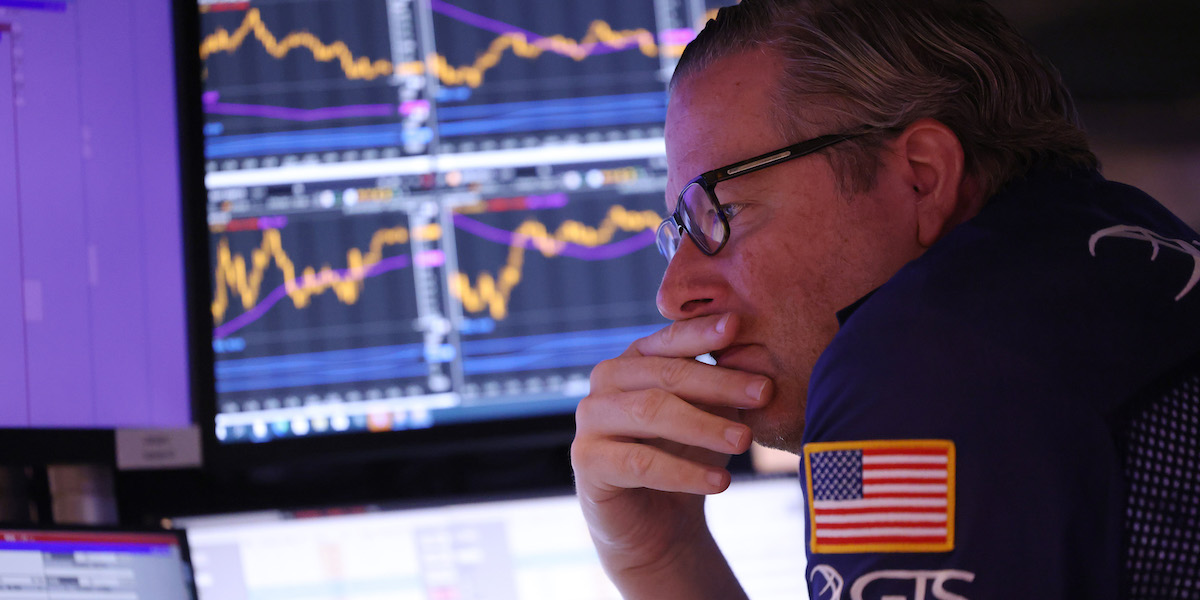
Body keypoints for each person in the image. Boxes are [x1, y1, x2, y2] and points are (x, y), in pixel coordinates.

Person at [569, 0, 1200, 598]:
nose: (673, 294)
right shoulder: (1134, 245)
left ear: (921, 178)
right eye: (681, 231)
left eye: (725, 212)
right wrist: (663, 554)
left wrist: (652, 568)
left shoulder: (918, 365)